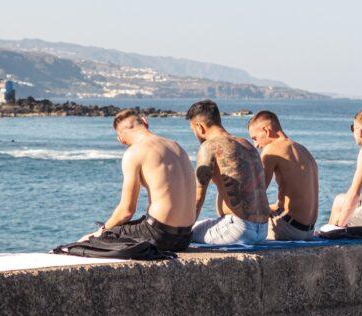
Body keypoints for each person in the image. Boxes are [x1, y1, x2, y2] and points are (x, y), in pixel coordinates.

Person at [79, 109, 197, 251]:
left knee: (93, 240)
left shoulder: (134, 152)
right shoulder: (176, 146)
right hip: (186, 237)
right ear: (145, 122)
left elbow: (127, 211)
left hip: (159, 236)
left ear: (121, 139)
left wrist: (102, 231)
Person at [187, 100, 270, 244]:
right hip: (263, 230)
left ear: (199, 127)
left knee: (188, 233)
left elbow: (198, 197)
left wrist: (181, 231)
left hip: (237, 230)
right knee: (204, 223)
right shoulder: (247, 145)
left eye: (193, 130)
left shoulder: (209, 146)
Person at [247, 110, 319, 240]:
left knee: (239, 226)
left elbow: (257, 193)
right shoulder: (303, 150)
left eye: (255, 138)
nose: (256, 145)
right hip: (308, 231)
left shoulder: (271, 149)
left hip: (288, 230)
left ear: (266, 130)